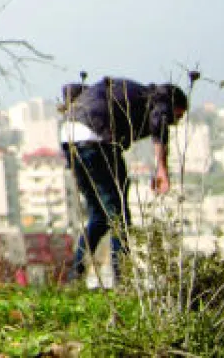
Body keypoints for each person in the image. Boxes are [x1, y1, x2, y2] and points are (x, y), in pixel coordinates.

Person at [60, 78, 188, 286]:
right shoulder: (162, 98)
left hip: (69, 137)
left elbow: (71, 90)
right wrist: (162, 169)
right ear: (175, 106)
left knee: (100, 215)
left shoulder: (133, 93)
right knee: (119, 216)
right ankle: (123, 280)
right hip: (97, 140)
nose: (176, 122)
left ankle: (74, 275)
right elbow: (160, 123)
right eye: (178, 117)